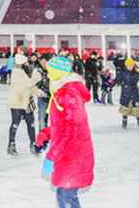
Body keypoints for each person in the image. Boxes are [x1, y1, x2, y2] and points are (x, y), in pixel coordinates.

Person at [36, 56, 94, 208]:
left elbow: (70, 132)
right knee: (65, 196)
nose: (48, 75)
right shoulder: (64, 91)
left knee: (66, 197)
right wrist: (47, 133)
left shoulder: (68, 94)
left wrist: (51, 156)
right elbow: (64, 125)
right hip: (71, 155)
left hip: (73, 156)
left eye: (50, 72)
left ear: (58, 74)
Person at [7, 53, 42, 155]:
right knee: (15, 123)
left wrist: (40, 93)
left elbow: (30, 87)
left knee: (31, 124)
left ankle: (33, 144)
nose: (28, 63)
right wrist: (36, 75)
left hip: (27, 102)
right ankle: (11, 145)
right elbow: (28, 84)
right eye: (25, 62)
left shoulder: (26, 72)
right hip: (17, 102)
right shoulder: (16, 73)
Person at [117, 58, 139, 130]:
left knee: (137, 109)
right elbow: (116, 80)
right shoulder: (122, 72)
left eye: (131, 65)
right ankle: (124, 122)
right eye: (128, 66)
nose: (130, 67)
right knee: (125, 109)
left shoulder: (136, 73)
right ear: (126, 65)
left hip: (134, 93)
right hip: (125, 93)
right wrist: (111, 86)